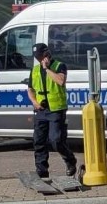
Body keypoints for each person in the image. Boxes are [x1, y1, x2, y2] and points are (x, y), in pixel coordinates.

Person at [25, 43, 78, 178]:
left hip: (56, 109)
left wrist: (47, 69)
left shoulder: (59, 66)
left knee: (56, 140)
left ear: (47, 54)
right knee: (39, 141)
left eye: (41, 56)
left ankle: (70, 160)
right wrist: (34, 102)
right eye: (37, 57)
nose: (39, 59)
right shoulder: (35, 70)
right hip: (41, 110)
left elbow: (61, 81)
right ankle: (42, 171)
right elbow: (30, 89)